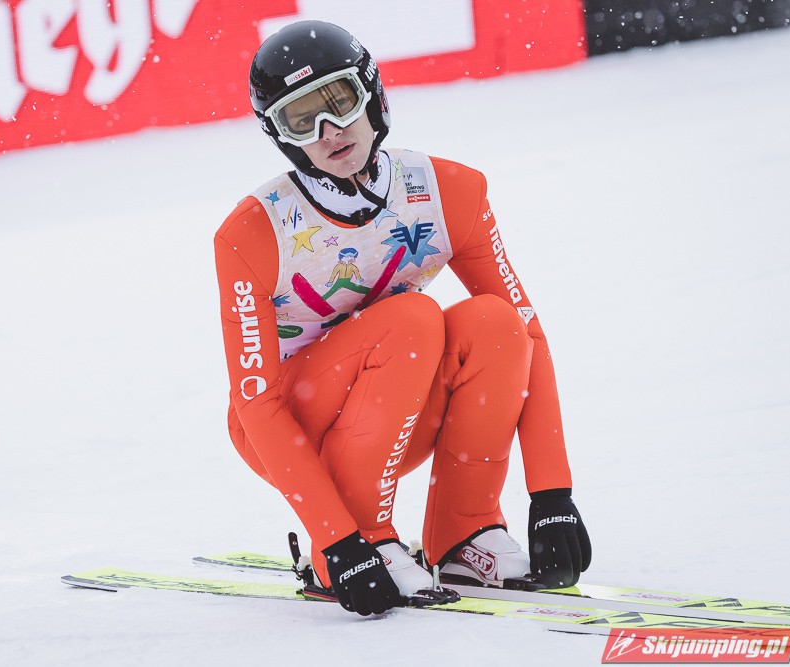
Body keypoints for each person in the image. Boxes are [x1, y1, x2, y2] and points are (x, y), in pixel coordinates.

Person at [214, 20, 591, 617]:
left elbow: (527, 330)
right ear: (281, 138)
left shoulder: (447, 192)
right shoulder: (253, 233)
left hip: (400, 406)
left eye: (339, 101)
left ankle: (466, 530)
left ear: (372, 94)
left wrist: (552, 493)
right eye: (301, 120)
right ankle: (368, 534)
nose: (330, 131)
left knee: (495, 324)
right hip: (291, 429)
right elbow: (256, 403)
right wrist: (339, 542)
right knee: (412, 318)